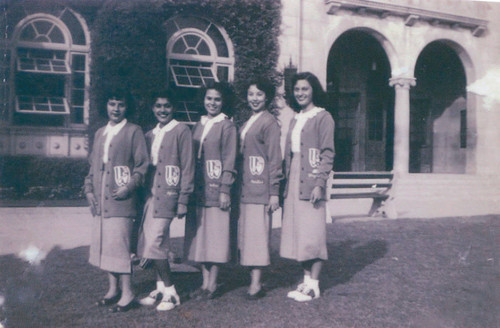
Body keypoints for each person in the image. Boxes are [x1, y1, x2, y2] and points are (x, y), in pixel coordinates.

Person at [84, 88, 149, 312]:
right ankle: (113, 290)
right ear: (106, 105)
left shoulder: (134, 131)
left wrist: (128, 187)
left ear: (126, 107)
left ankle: (128, 293)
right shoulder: (100, 133)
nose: (116, 108)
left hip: (122, 200)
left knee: (119, 247)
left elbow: (142, 167)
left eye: (120, 104)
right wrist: (89, 191)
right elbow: (93, 167)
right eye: (112, 103)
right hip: (101, 200)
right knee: (105, 245)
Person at [136, 90, 195, 311]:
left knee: (155, 243)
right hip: (151, 195)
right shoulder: (149, 134)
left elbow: (188, 167)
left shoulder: (182, 131)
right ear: (153, 108)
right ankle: (160, 286)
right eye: (158, 106)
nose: (162, 110)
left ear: (174, 107)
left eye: (167, 106)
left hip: (169, 195)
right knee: (154, 241)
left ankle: (171, 292)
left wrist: (183, 199)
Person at [280, 72, 335, 302]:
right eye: (297, 89)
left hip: (311, 178)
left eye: (305, 89)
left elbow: (327, 153)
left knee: (313, 233)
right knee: (299, 233)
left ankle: (314, 285)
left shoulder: (323, 117)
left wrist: (319, 184)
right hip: (294, 177)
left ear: (314, 91)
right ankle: (305, 282)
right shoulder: (295, 117)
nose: (300, 93)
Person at [185, 82, 237, 299]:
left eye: (217, 99)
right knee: (201, 238)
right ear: (203, 100)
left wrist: (225, 189)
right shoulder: (198, 124)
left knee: (214, 238)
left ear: (223, 101)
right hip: (198, 190)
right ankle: (204, 283)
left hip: (216, 189)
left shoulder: (227, 126)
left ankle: (213, 284)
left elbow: (230, 160)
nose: (212, 103)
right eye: (209, 98)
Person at [238, 78, 282, 299]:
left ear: (267, 97)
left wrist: (274, 192)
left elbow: (275, 159)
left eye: (259, 94)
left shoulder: (269, 122)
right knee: (248, 235)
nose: (254, 98)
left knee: (257, 236)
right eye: (251, 94)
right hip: (246, 189)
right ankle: (252, 278)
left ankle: (256, 284)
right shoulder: (249, 121)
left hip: (260, 189)